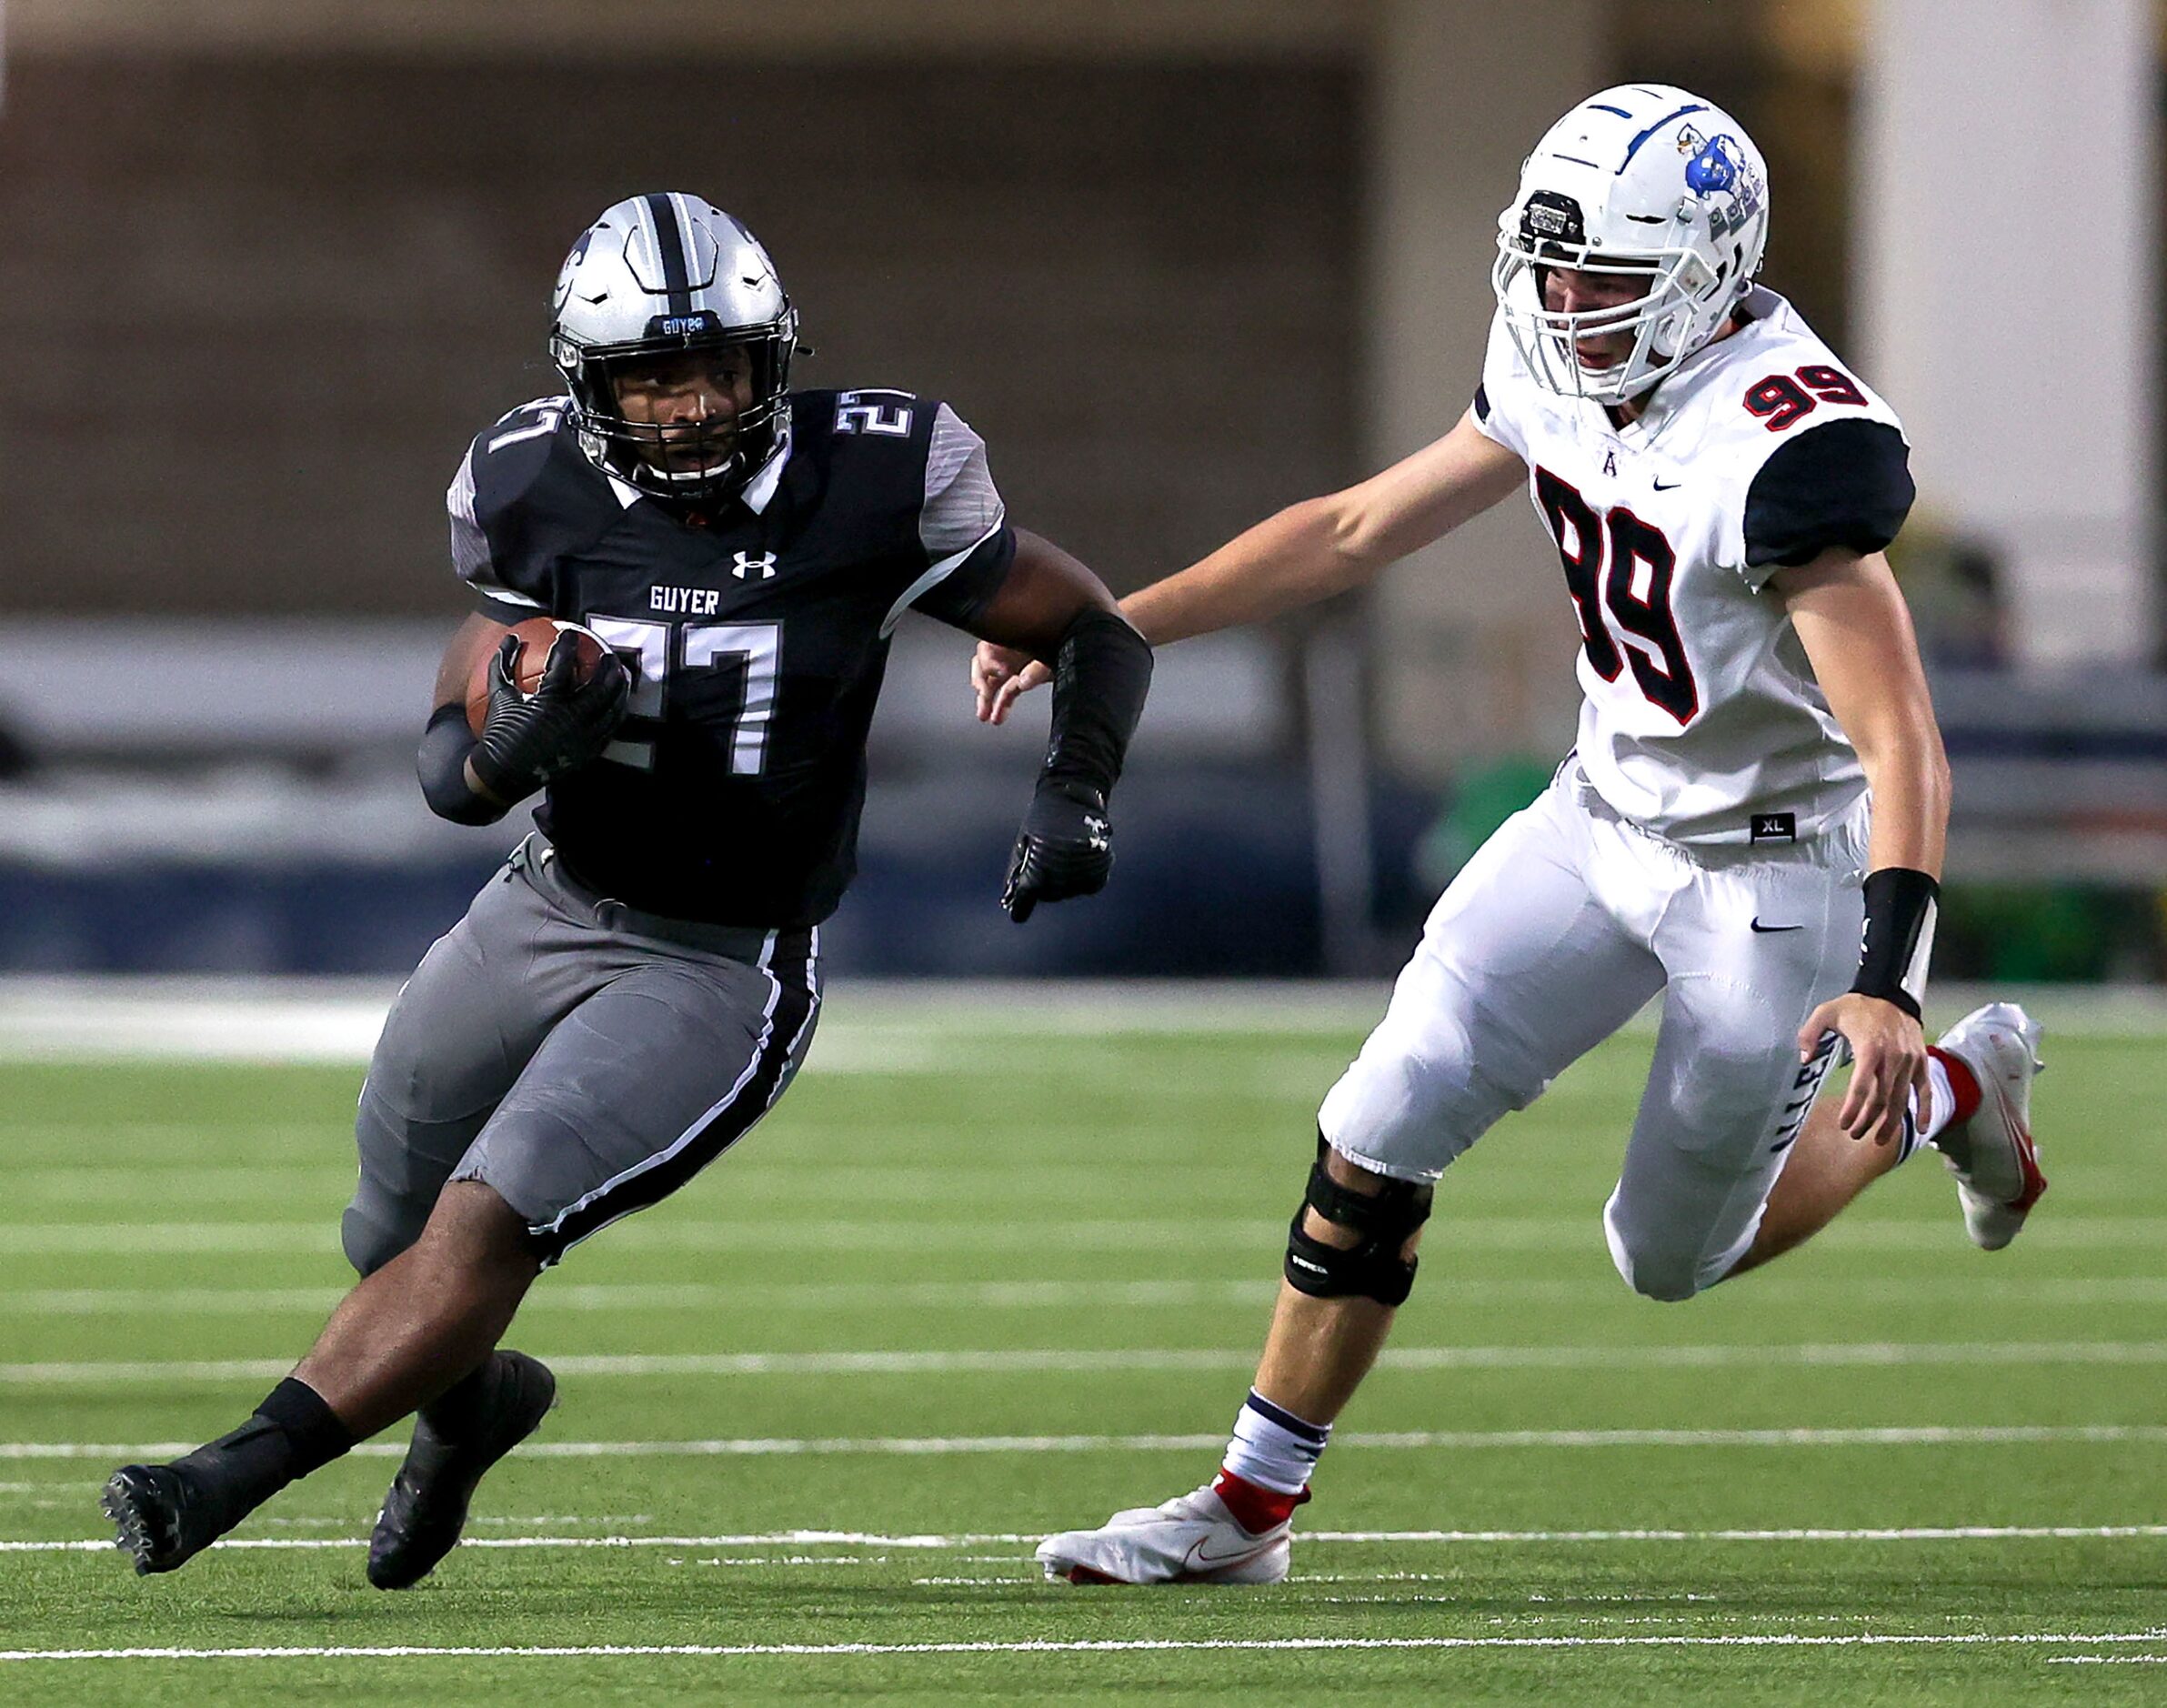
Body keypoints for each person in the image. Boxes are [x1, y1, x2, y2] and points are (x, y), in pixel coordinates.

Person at [973, 86, 2045, 1586]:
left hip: (1774, 870)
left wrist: (1888, 984)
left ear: (1704, 269)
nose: (1565, 306)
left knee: (1667, 1257)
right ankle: (1245, 1508)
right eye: (1552, 271)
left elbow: (1900, 739)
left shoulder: (1793, 443)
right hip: (1598, 818)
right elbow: (1355, 529)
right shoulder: (1552, 357)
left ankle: (1943, 1091)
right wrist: (1111, 628)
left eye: (1604, 279)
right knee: (1380, 1115)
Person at [104, 193, 1152, 1582]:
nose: (693, 406)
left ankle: (226, 1474)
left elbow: (1091, 624)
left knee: (491, 1214)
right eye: (654, 376)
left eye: (718, 366)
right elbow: (443, 765)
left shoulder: (876, 476)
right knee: (388, 1232)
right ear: (590, 387)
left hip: (718, 962)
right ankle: (474, 1403)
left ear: (771, 360)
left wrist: (1077, 787)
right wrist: (504, 753)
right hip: (546, 901)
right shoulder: (529, 486)